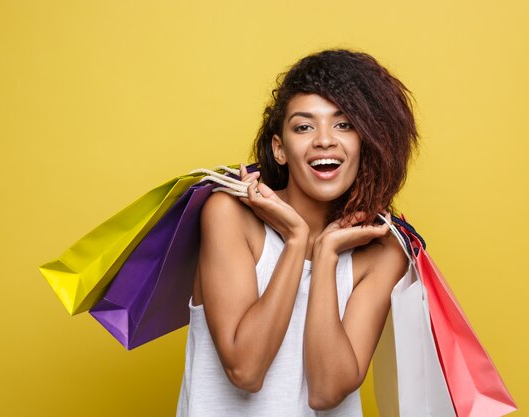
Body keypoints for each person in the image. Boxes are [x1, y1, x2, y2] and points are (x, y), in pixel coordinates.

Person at [176, 48, 419, 417]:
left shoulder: (384, 251)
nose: (324, 140)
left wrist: (324, 256)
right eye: (304, 126)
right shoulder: (228, 215)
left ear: (367, 143)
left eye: (344, 125)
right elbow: (245, 369)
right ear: (279, 149)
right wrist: (297, 239)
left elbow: (326, 392)